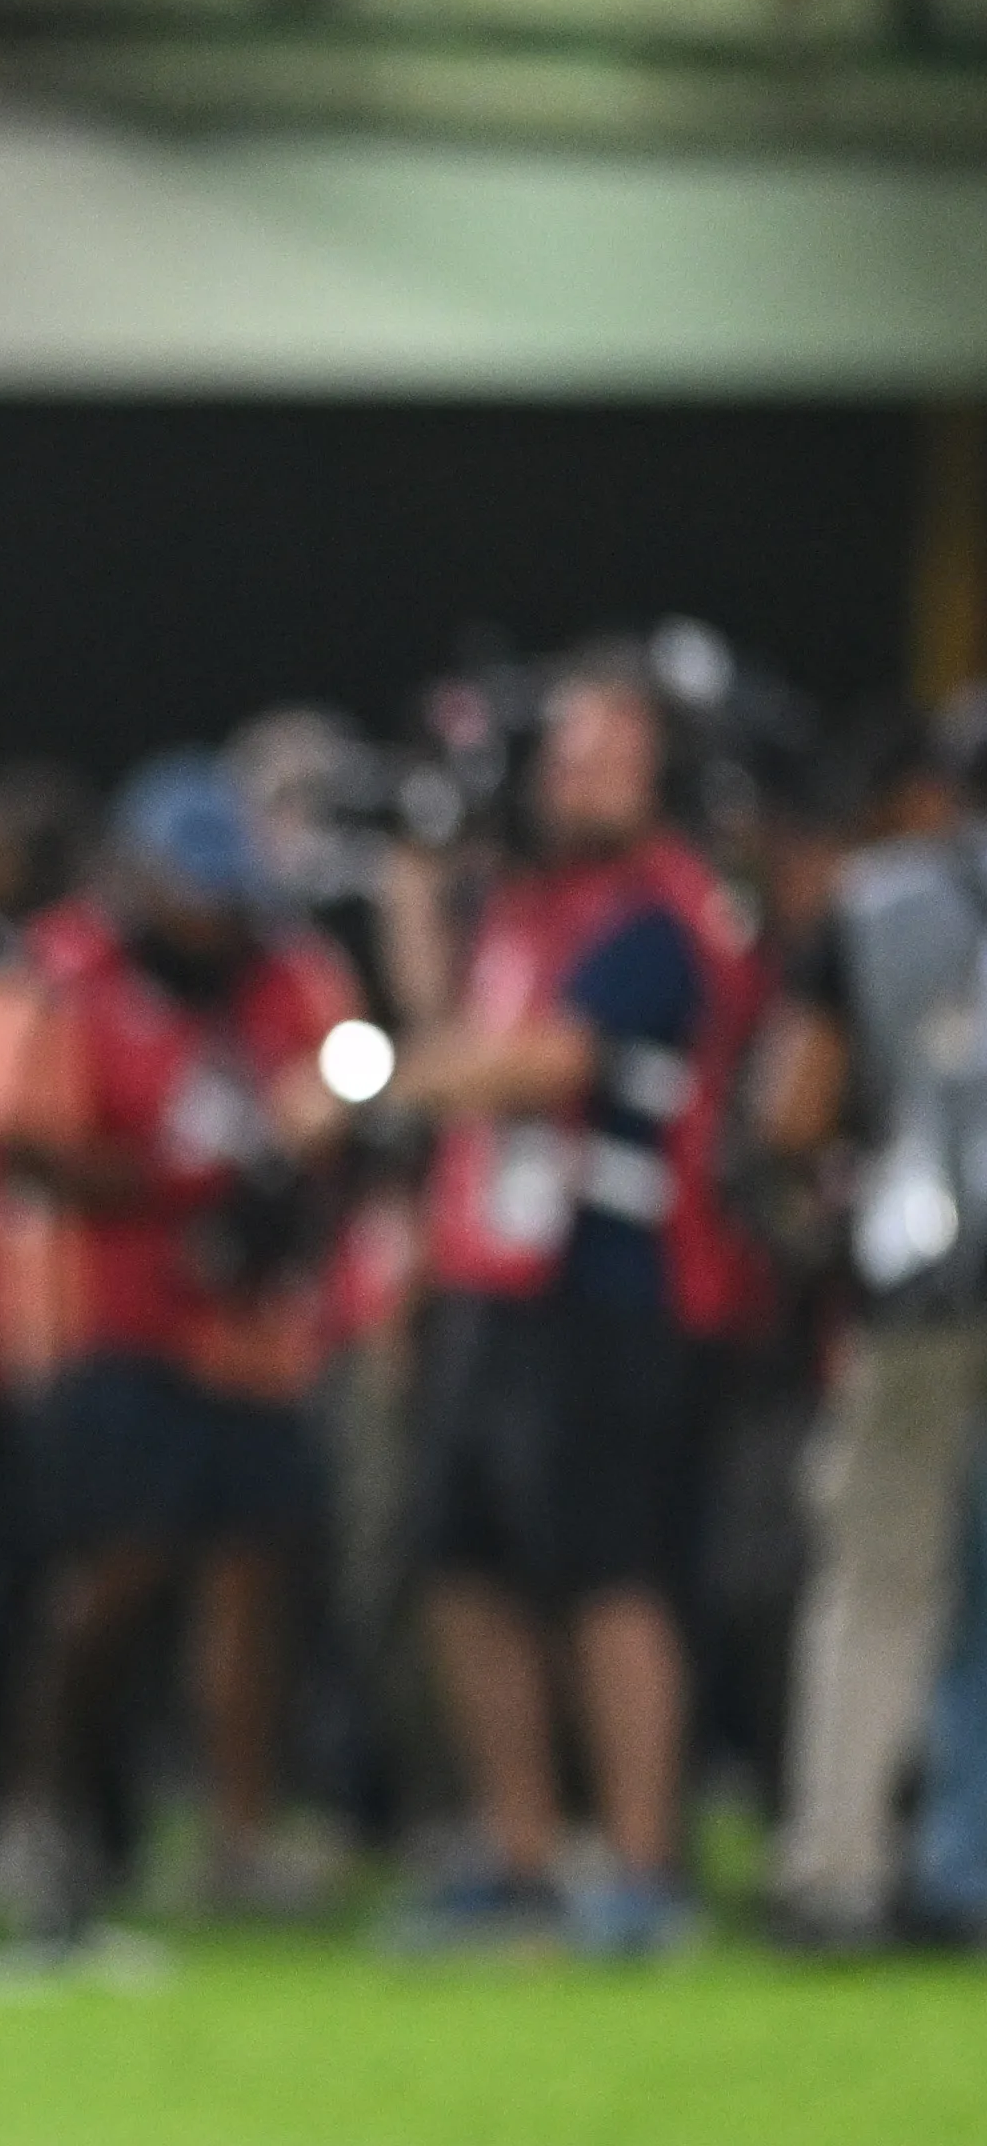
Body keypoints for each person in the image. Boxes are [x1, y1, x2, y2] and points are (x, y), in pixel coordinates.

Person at [389, 653, 759, 1953]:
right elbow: (460, 1036)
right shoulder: (529, 902)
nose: (577, 773)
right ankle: (525, 1848)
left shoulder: (664, 908)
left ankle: (646, 1862)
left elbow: (539, 1065)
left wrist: (392, 1080)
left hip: (623, 1279)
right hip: (499, 1279)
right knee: (464, 1558)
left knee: (611, 1569)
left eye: (612, 751)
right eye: (567, 749)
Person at [0, 757, 361, 1929]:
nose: (209, 914)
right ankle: (44, 1812)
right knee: (112, 1576)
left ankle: (234, 1835)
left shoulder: (282, 969)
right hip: (110, 1318)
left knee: (251, 1573)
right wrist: (182, 1178)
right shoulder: (70, 971)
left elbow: (346, 1071)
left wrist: (300, 1149)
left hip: (251, 1330)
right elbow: (28, 1139)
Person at [771, 706, 987, 1948]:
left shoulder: (875, 900)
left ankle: (838, 1865)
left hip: (918, 1278)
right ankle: (964, 1863)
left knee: (874, 1583)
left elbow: (791, 1112)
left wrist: (810, 1240)